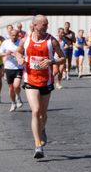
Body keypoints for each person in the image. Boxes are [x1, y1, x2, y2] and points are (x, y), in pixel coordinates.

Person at [15, 15, 66, 159]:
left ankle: (42, 128)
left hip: (46, 81)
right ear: (35, 26)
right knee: (35, 111)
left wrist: (51, 61)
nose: (46, 27)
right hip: (30, 80)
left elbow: (63, 58)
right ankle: (38, 145)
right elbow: (18, 51)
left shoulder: (52, 41)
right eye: (44, 25)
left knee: (43, 115)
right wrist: (19, 58)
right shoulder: (26, 40)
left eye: (47, 24)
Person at [0, 28, 24, 112]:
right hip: (9, 68)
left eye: (16, 35)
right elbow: (0, 54)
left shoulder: (21, 42)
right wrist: (6, 54)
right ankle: (13, 103)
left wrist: (23, 57)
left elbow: (26, 53)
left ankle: (18, 96)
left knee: (17, 85)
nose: (14, 37)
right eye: (12, 35)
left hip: (18, 67)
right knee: (11, 88)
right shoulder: (5, 43)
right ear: (10, 35)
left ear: (18, 35)